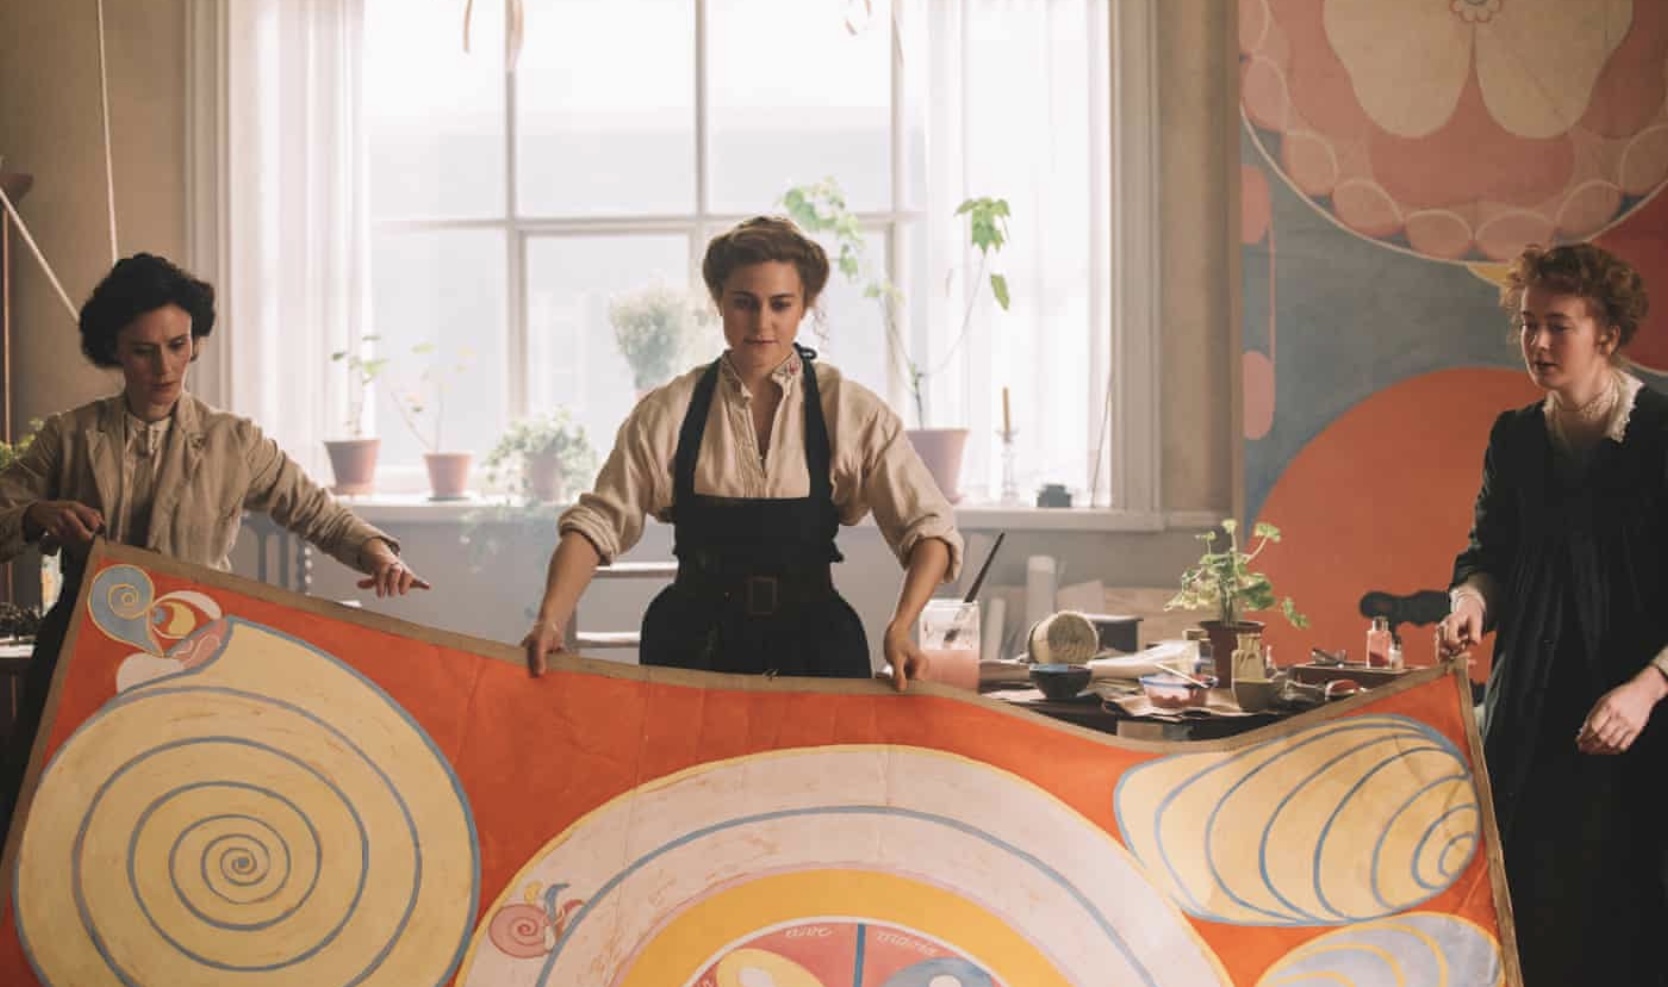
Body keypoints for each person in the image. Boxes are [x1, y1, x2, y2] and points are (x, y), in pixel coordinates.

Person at [0, 252, 429, 837]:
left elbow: (318, 514)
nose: (164, 367)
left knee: (184, 818)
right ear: (114, 350)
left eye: (177, 345)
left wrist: (378, 553)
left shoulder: (236, 442)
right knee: (47, 817)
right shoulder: (67, 436)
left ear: (195, 343)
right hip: (78, 647)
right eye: (143, 351)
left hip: (194, 649)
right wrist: (35, 515)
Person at [521, 216, 962, 688]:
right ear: (719, 301)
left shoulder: (850, 411)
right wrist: (550, 619)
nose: (761, 323)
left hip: (817, 652)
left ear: (805, 305)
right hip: (691, 651)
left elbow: (930, 529)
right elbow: (597, 524)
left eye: (781, 304)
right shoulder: (669, 411)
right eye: (744, 303)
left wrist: (901, 626)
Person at [1437, 242, 1668, 985]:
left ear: (1607, 333)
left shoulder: (1663, 432)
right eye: (1527, 324)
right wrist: (1470, 601)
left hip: (1641, 719)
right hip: (1531, 715)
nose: (1537, 342)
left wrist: (1646, 691)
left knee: (1631, 922)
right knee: (1531, 918)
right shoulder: (1514, 437)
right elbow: (1488, 556)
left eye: (1558, 325)